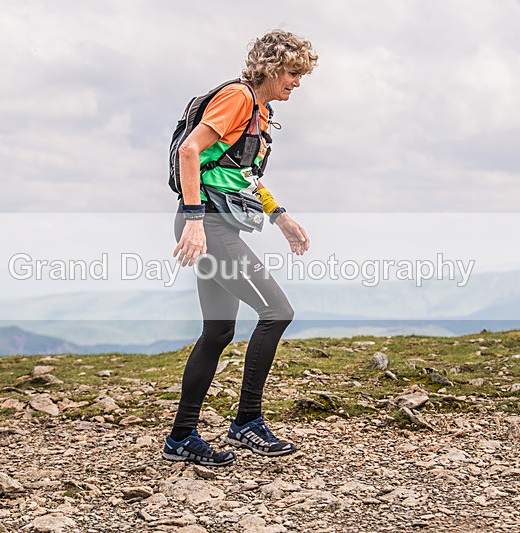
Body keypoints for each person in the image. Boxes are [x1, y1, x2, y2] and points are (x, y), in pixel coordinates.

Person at [162, 30, 318, 466]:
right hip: (208, 223)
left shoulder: (260, 111)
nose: (297, 82)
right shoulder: (237, 98)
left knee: (218, 331)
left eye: (301, 75)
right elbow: (190, 152)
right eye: (292, 73)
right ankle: (247, 420)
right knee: (277, 312)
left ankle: (182, 437)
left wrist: (280, 216)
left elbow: (242, 174)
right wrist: (194, 220)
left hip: (217, 222)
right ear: (271, 67)